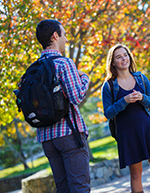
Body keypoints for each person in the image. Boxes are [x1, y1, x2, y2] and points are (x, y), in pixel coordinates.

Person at [101, 44, 150, 193]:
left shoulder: (141, 78)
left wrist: (142, 97)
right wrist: (124, 101)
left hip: (147, 127)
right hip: (127, 133)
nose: (123, 59)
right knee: (136, 173)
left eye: (125, 55)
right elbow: (108, 113)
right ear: (112, 62)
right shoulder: (108, 86)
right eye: (118, 57)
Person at [35, 20, 90, 192]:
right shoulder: (64, 63)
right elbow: (76, 97)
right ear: (55, 36)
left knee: (63, 188)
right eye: (64, 34)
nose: (66, 39)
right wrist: (84, 78)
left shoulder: (35, 69)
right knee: (80, 186)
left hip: (46, 138)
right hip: (69, 134)